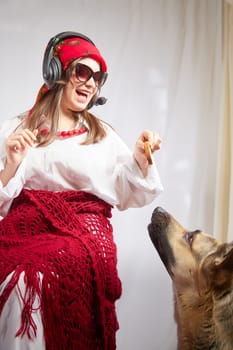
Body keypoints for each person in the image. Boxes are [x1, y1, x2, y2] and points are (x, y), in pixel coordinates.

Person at [0, 31, 163, 350]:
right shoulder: (19, 128)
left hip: (81, 233)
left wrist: (141, 160)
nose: (90, 83)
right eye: (82, 71)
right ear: (56, 72)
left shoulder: (102, 135)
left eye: (97, 77)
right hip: (24, 229)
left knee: (29, 283)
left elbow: (129, 192)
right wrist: (12, 163)